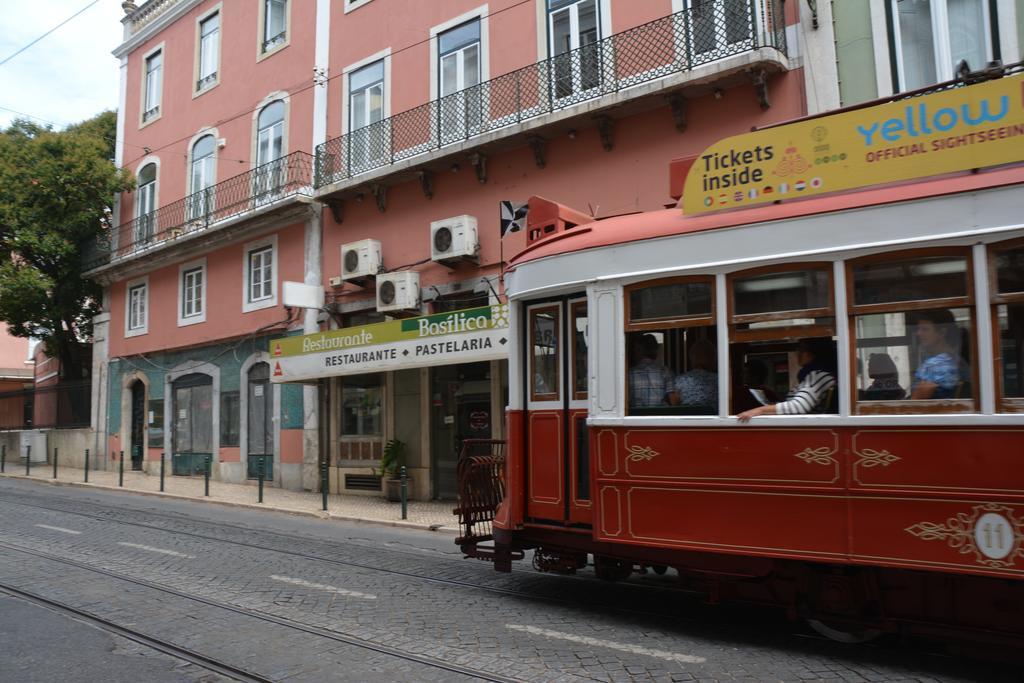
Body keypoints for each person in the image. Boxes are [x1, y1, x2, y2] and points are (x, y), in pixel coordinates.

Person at [737, 338, 837, 421]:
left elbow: (798, 406)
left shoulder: (818, 375)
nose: (798, 353)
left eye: (801, 349)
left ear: (813, 353)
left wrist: (759, 410)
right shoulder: (813, 375)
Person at [910, 309, 963, 399]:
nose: (919, 333)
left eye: (925, 329)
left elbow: (914, 404)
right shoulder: (955, 359)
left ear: (942, 332)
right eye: (918, 329)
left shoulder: (935, 365)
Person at [629, 333, 674, 408]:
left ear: (638, 350)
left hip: (636, 417)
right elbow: (673, 400)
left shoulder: (629, 374)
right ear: (655, 351)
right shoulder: (665, 371)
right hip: (660, 416)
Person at [671, 338, 717, 409]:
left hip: (687, 418)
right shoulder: (719, 381)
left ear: (692, 358)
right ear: (712, 358)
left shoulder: (680, 380)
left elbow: (674, 403)